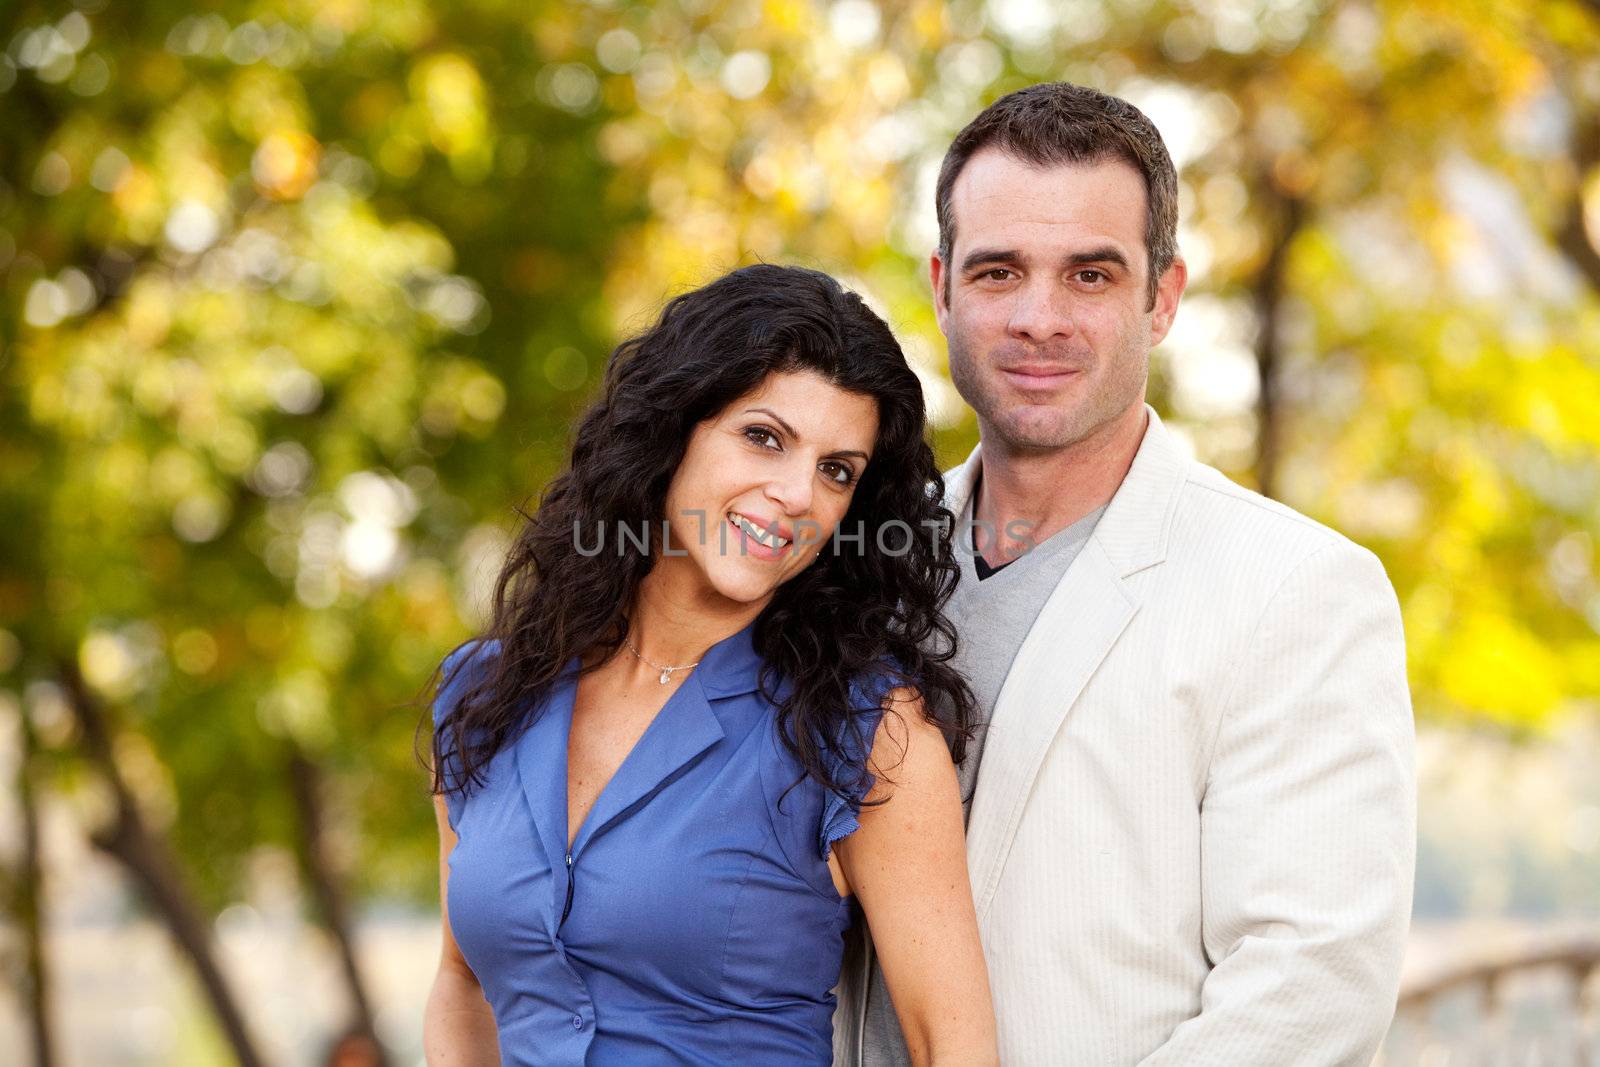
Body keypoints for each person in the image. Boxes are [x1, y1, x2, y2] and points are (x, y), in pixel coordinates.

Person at [841, 83, 1417, 1065]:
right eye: (998, 270)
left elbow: (1309, 981)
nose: (1038, 316)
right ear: (941, 286)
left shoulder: (1298, 587)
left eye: (1090, 276)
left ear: (1162, 296)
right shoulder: (853, 557)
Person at [422, 264, 998, 1066]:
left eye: (837, 471)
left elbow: (953, 1047)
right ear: (674, 428)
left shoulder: (865, 728)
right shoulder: (485, 693)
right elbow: (462, 983)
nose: (798, 493)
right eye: (764, 436)